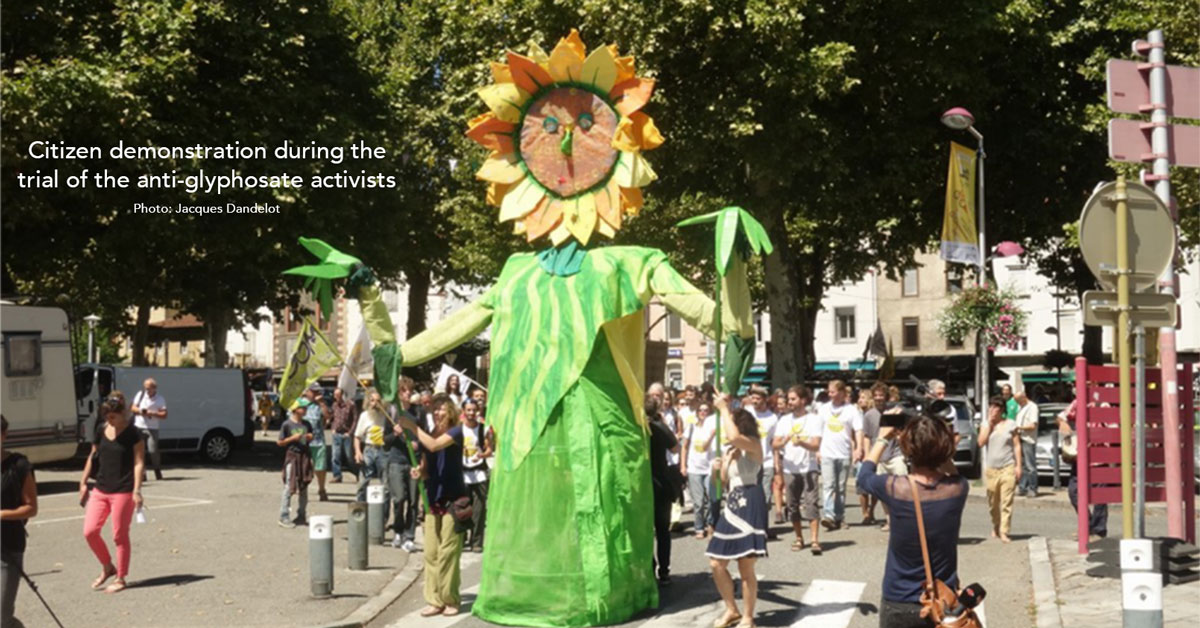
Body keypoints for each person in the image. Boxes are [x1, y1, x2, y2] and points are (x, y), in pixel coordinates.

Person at [858, 412, 970, 628]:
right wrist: (938, 448)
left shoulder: (896, 488)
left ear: (908, 448)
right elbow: (953, 472)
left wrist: (882, 438)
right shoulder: (957, 489)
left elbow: (863, 477)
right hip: (941, 599)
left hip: (898, 598)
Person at [394, 396, 467, 617]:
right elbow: (427, 464)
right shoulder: (430, 431)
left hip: (453, 499)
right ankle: (434, 599)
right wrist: (420, 472)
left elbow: (435, 446)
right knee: (431, 553)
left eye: (442, 409)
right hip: (433, 498)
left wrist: (412, 427)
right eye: (434, 409)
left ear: (451, 411)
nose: (437, 412)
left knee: (448, 552)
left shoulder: (456, 431)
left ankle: (450, 598)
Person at [706, 393, 767, 628]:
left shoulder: (753, 445)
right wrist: (716, 469)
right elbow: (723, 481)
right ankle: (731, 609)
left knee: (745, 565)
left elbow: (733, 434)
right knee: (716, 563)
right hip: (732, 504)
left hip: (750, 501)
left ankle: (748, 618)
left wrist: (723, 408)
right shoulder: (732, 450)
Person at [79, 392, 145, 594]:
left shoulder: (134, 434)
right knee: (89, 532)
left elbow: (139, 463)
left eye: (113, 417)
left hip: (123, 491)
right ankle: (108, 566)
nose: (109, 421)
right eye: (107, 417)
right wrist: (83, 482)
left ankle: (121, 577)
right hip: (100, 488)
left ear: (122, 414)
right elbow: (93, 455)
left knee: (119, 535)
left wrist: (137, 490)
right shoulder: (101, 429)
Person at [773, 386, 824, 555]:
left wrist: (801, 442)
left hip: (809, 468)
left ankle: (815, 540)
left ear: (803, 400)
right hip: (789, 468)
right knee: (793, 505)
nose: (790, 402)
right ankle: (799, 537)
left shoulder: (815, 419)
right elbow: (774, 444)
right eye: (789, 399)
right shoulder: (784, 420)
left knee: (811, 503)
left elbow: (816, 445)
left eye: (793, 399)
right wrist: (786, 440)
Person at [2, 415, 38, 627]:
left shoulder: (18, 466)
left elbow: (31, 508)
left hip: (8, 548)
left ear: (4, 435)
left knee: (1, 616)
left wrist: (2, 515)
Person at [1056, 399, 1108, 542]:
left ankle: (1098, 530)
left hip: (1100, 458)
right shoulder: (1079, 402)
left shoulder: (1104, 404)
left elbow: (1114, 429)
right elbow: (1061, 416)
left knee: (1100, 498)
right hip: (1080, 459)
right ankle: (1087, 525)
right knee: (1074, 492)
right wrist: (1062, 422)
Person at [818, 380, 861, 531]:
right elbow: (818, 431)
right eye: (829, 392)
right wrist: (817, 450)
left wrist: (858, 449)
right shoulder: (823, 409)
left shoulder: (851, 410)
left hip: (844, 453)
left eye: (833, 392)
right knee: (828, 485)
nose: (830, 395)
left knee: (840, 487)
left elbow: (858, 431)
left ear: (842, 393)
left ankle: (839, 516)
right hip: (827, 452)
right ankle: (828, 515)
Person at [647, 397, 681, 585]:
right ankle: (665, 571)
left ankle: (649, 567)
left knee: (644, 530)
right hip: (660, 480)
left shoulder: (636, 426)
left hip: (642, 482)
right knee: (662, 530)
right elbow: (675, 448)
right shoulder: (660, 427)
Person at [978, 396, 1022, 543]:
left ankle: (1004, 531)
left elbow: (1016, 445)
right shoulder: (986, 424)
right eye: (990, 406)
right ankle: (996, 524)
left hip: (1007, 467)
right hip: (992, 469)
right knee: (993, 503)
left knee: (1006, 501)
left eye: (995, 407)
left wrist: (1018, 466)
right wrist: (990, 426)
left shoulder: (1011, 424)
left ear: (1002, 410)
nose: (992, 410)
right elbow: (980, 442)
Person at [383, 401, 419, 551]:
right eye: (404, 392)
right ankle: (398, 530)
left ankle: (409, 535)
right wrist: (394, 434)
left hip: (413, 462)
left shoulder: (417, 413)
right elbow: (385, 442)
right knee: (399, 498)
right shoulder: (391, 414)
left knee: (413, 500)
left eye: (409, 392)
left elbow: (423, 434)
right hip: (396, 461)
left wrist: (418, 443)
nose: (407, 395)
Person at [682, 402, 718, 539]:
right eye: (701, 410)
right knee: (698, 502)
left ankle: (710, 524)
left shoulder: (713, 428)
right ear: (697, 413)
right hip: (694, 468)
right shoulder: (691, 428)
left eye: (706, 410)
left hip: (709, 468)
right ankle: (699, 527)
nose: (703, 412)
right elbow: (684, 447)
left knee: (712, 498)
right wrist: (683, 466)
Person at [746, 387, 780, 532]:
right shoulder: (746, 413)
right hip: (748, 461)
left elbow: (774, 442)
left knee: (765, 496)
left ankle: (763, 527)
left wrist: (776, 462)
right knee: (749, 495)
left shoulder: (772, 418)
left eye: (758, 398)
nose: (754, 401)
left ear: (765, 399)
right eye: (753, 398)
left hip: (766, 461)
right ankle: (749, 525)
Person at [461, 400, 492, 553]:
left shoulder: (482, 430)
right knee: (461, 508)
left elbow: (489, 450)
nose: (471, 413)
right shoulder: (458, 430)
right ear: (463, 411)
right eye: (468, 410)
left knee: (478, 510)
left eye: (474, 410)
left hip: (478, 473)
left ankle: (477, 541)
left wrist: (482, 454)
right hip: (462, 474)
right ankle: (461, 538)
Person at [278, 405, 315, 527]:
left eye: (305, 408)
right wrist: (292, 438)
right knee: (289, 485)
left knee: (304, 486)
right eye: (302, 408)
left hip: (304, 456)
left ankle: (301, 515)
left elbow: (311, 436)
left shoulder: (306, 424)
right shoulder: (287, 424)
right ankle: (284, 516)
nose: (305, 410)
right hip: (292, 456)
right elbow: (280, 442)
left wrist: (310, 437)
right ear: (295, 409)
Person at [355, 390, 391, 503]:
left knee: (386, 485)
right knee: (363, 483)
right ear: (368, 402)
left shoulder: (387, 416)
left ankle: (383, 516)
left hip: (384, 450)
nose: (375, 403)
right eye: (372, 400)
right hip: (369, 449)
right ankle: (361, 511)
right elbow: (357, 436)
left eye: (378, 401)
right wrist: (358, 452)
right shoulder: (364, 416)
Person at [856, 384, 884, 525]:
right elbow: (863, 435)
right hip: (866, 452)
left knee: (876, 486)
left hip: (881, 453)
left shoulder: (881, 412)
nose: (859, 400)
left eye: (862, 398)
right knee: (862, 485)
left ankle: (871, 510)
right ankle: (865, 512)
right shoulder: (863, 414)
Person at [131, 378, 167, 481]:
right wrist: (141, 411)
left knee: (153, 450)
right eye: (145, 388)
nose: (147, 390)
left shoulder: (160, 399)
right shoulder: (140, 395)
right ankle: (142, 473)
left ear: (154, 388)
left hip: (152, 428)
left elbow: (164, 414)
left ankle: (157, 469)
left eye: (149, 388)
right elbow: (133, 408)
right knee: (139, 451)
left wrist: (153, 413)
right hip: (139, 426)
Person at [302, 385, 332, 501]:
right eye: (313, 391)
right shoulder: (301, 403)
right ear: (307, 392)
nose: (315, 394)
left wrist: (322, 404)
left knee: (321, 467)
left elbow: (328, 416)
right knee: (304, 465)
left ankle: (322, 488)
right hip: (304, 441)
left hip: (318, 440)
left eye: (317, 392)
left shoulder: (319, 405)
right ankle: (303, 489)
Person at [1014, 391, 1039, 497]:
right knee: (1022, 464)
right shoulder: (1021, 407)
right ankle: (1022, 487)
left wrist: (1019, 428)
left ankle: (1033, 488)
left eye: (1018, 401)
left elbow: (1033, 425)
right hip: (1020, 438)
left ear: (1024, 398)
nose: (1018, 403)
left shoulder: (1032, 407)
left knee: (1030, 465)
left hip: (1028, 439)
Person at [330, 387, 358, 484]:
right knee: (335, 456)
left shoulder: (350, 405)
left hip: (346, 434)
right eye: (335, 395)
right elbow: (332, 417)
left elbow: (355, 419)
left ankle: (357, 473)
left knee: (349, 456)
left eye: (338, 395)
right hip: (336, 433)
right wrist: (332, 428)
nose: (336, 397)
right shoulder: (334, 405)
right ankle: (337, 475)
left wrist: (350, 432)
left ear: (342, 395)